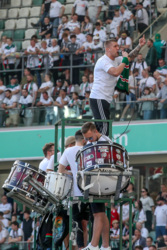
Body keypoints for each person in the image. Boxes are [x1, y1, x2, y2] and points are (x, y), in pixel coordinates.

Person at [89, 36, 146, 135]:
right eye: (115, 46)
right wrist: (124, 60)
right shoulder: (103, 61)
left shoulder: (116, 60)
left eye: (118, 46)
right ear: (108, 49)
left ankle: (99, 146)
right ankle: (103, 147)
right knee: (104, 127)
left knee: (104, 127)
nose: (118, 48)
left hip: (105, 98)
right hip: (98, 97)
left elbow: (129, 57)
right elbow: (115, 72)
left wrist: (139, 46)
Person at [81, 122, 112, 250]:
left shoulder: (105, 141)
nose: (88, 140)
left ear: (95, 131)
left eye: (90, 137)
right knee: (100, 213)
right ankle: (105, 245)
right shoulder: (90, 143)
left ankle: (94, 245)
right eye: (86, 139)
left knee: (97, 214)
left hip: (102, 179)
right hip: (95, 179)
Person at [58, 130, 89, 249]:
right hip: (92, 191)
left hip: (76, 192)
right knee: (89, 221)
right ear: (83, 139)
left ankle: (80, 246)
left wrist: (71, 173)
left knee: (78, 223)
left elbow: (60, 170)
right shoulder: (89, 149)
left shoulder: (68, 151)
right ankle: (86, 246)